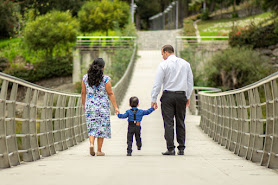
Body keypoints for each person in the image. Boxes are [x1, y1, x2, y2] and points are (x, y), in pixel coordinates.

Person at [151, 45, 193, 156]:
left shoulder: (163, 65)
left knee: (168, 122)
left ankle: (170, 148)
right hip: (181, 96)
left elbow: (157, 83)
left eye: (162, 54)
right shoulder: (185, 64)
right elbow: (190, 83)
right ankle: (181, 148)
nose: (162, 57)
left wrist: (153, 98)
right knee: (180, 121)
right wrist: (188, 96)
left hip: (168, 96)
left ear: (165, 52)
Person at [81, 58, 119, 156]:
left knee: (92, 126)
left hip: (90, 105)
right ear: (103, 67)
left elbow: (83, 92)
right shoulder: (105, 79)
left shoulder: (85, 78)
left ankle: (91, 143)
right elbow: (110, 93)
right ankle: (99, 150)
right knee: (101, 127)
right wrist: (115, 107)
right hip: (102, 106)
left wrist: (83, 104)